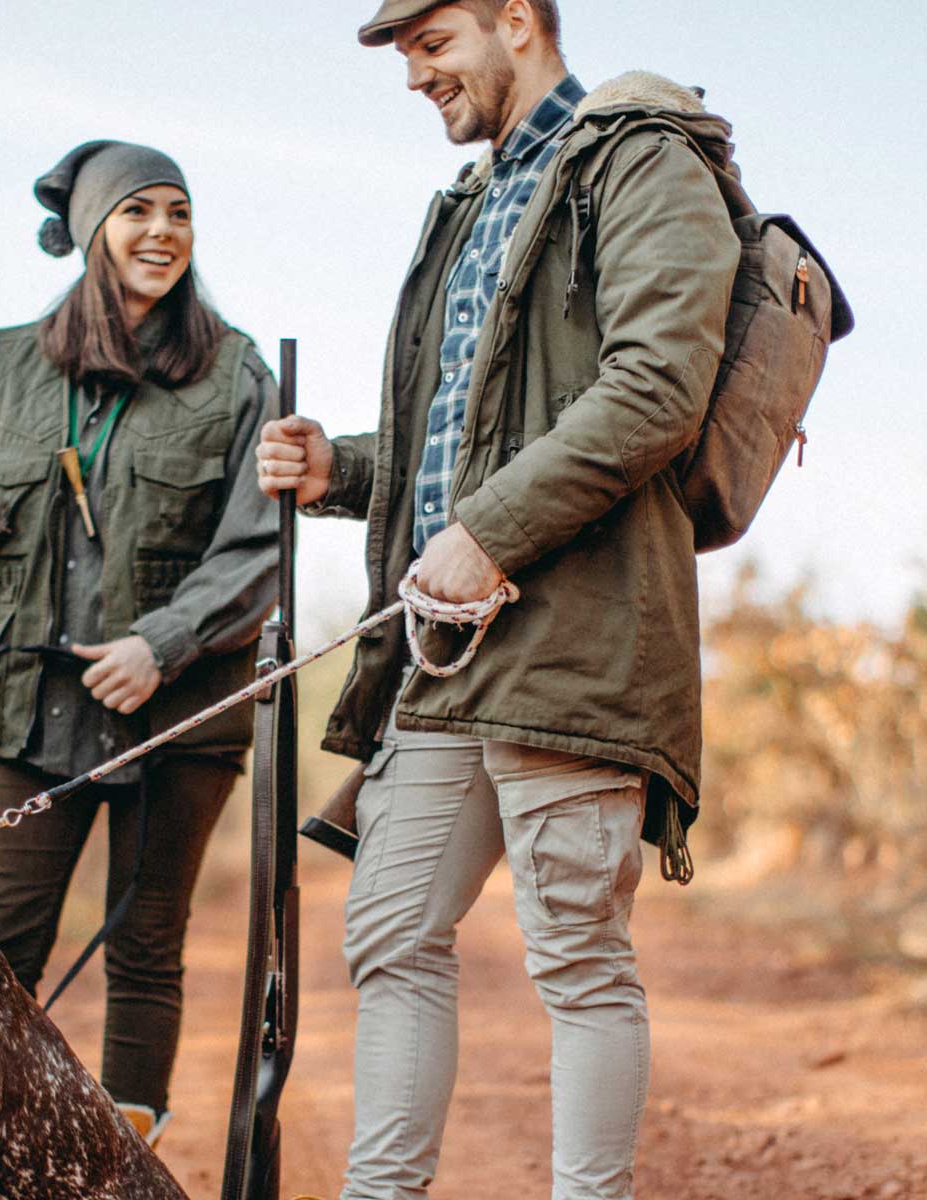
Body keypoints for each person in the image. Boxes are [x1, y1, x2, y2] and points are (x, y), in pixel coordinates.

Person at [253, 2, 738, 1197]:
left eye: (433, 44)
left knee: (576, 954)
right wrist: (344, 472)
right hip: (445, 660)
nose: (416, 75)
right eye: (406, 55)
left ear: (517, 18)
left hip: (577, 638)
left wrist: (489, 534)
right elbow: (457, 444)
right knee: (392, 932)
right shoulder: (476, 203)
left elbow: (658, 387)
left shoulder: (640, 155)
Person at [0, 138, 286, 1147]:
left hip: (179, 709)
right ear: (90, 233)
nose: (162, 233)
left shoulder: (236, 370)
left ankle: (117, 1159)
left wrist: (162, 644)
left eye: (179, 214)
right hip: (27, 705)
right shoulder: (13, 364)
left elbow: (257, 548)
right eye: (138, 213)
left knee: (147, 946)